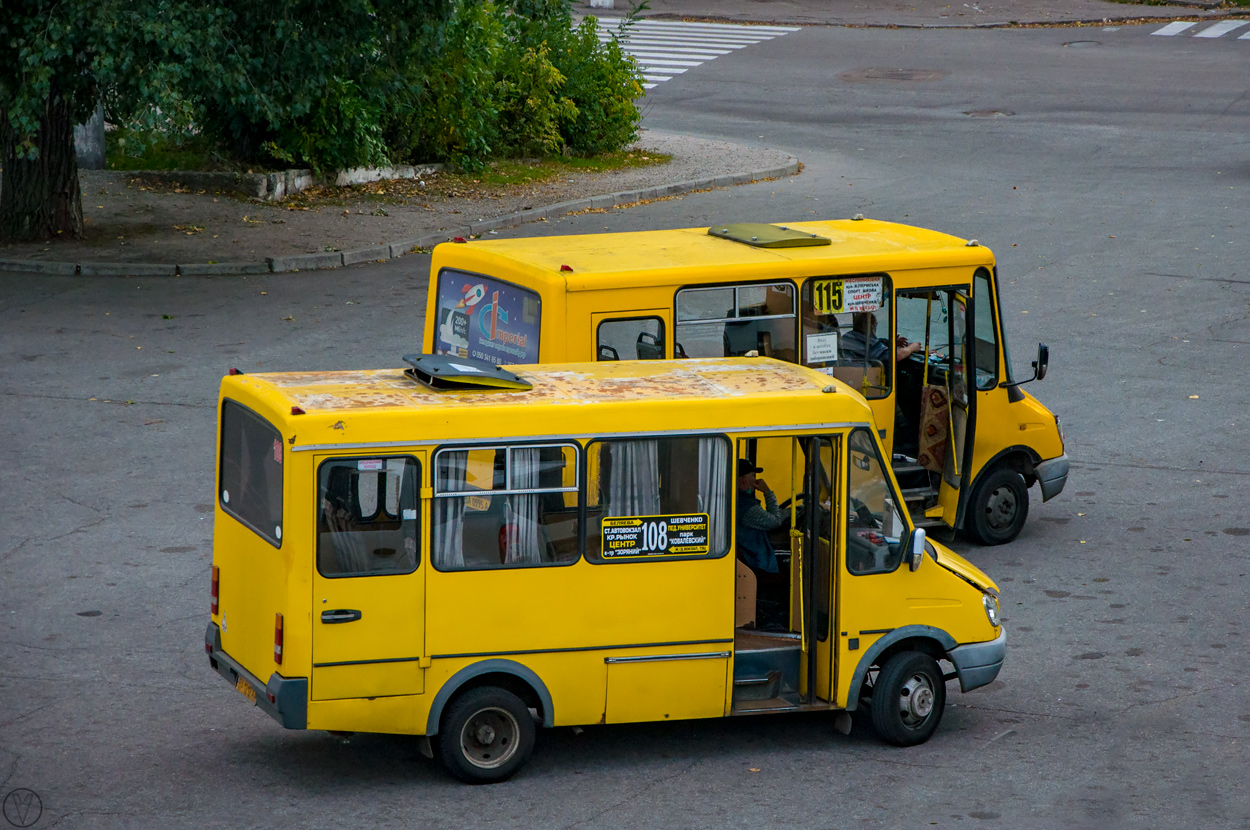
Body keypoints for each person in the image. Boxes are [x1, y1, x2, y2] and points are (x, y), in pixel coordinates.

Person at [736, 459, 786, 578]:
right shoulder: (748, 508)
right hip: (757, 562)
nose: (756, 480)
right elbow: (775, 521)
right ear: (744, 479)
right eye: (753, 476)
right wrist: (767, 492)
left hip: (748, 557)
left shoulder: (737, 500)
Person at [841, 311, 924, 364]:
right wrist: (911, 348)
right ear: (871, 326)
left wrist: (890, 342)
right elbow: (896, 356)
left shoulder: (848, 336)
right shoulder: (869, 343)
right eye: (876, 325)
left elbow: (877, 344)